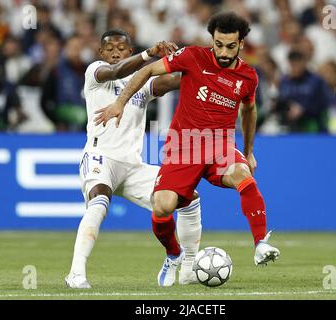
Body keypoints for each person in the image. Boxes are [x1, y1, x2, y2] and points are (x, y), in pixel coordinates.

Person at [95, 12, 280, 287]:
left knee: (243, 174)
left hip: (220, 147)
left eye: (230, 46)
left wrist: (249, 151)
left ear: (241, 43)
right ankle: (173, 255)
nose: (223, 51)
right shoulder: (192, 56)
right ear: (212, 40)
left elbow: (249, 110)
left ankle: (260, 243)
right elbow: (147, 70)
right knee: (162, 207)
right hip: (185, 147)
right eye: (218, 44)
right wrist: (120, 103)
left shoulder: (248, 76)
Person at [65, 29, 203, 289]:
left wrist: (203, 70)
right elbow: (116, 72)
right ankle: (76, 273)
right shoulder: (95, 73)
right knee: (99, 200)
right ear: (101, 53)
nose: (115, 52)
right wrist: (149, 54)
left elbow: (172, 82)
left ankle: (187, 266)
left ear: (128, 51)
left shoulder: (141, 84)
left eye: (121, 48)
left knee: (189, 197)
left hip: (132, 166)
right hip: (100, 156)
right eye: (110, 48)